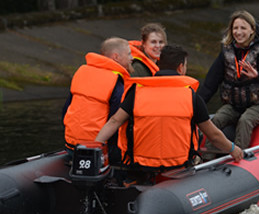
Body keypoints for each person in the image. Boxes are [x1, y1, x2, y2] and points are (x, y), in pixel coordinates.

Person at [95, 45, 244, 173]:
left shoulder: (136, 93)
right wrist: (233, 149)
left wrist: (94, 146)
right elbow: (213, 135)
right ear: (181, 67)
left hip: (140, 166)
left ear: (159, 65)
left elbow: (114, 122)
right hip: (178, 167)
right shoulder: (191, 97)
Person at [198, 9, 259, 151]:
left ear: (252, 30)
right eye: (235, 28)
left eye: (243, 28)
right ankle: (208, 156)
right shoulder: (226, 53)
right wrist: (195, 107)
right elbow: (210, 85)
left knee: (245, 120)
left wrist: (258, 75)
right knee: (216, 120)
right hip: (233, 106)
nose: (238, 32)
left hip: (258, 106)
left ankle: (239, 154)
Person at [63, 37, 132, 161]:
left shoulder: (82, 71)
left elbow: (66, 109)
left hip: (71, 144)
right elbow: (115, 121)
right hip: (95, 148)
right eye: (129, 54)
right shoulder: (115, 81)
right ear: (116, 57)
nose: (132, 58)